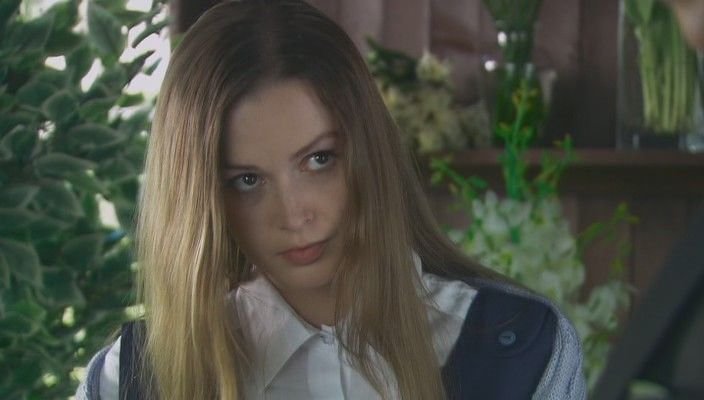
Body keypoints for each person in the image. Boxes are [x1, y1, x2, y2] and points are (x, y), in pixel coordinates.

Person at [75, 1, 585, 399]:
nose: (294, 214)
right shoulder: (132, 378)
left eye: (319, 160)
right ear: (202, 198)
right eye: (247, 181)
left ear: (368, 150)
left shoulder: (520, 351)